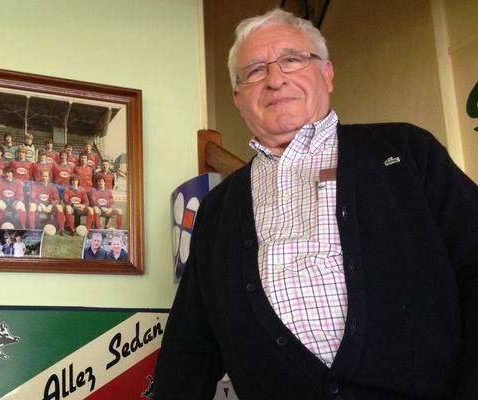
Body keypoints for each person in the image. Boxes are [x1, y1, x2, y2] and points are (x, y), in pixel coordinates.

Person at [153, 7, 478, 400]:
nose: (275, 79)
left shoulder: (406, 152)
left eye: (292, 59)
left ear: (327, 73)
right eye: (255, 70)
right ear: (238, 98)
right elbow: (190, 346)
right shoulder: (218, 208)